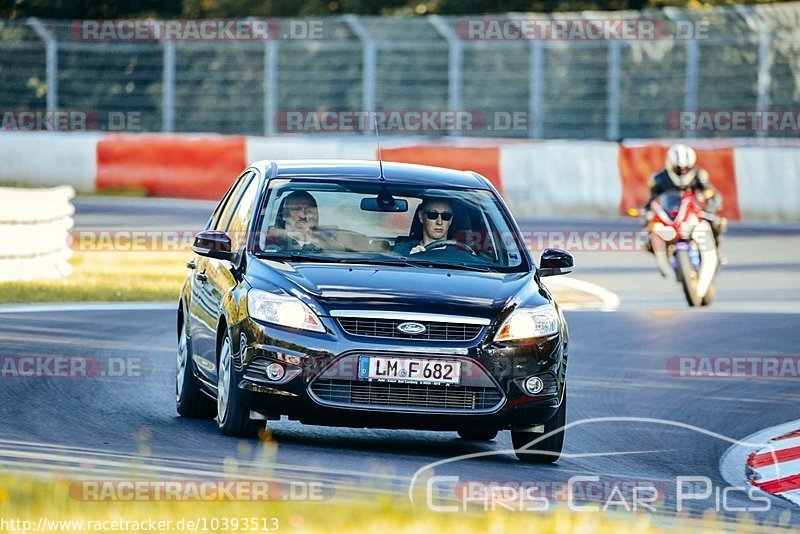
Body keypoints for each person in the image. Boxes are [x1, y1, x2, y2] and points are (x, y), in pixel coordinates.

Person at [266, 191, 341, 251]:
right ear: (284, 214)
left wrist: (319, 241)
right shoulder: (268, 240)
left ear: (316, 215)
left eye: (309, 210)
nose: (303, 216)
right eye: (296, 209)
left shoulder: (329, 243)